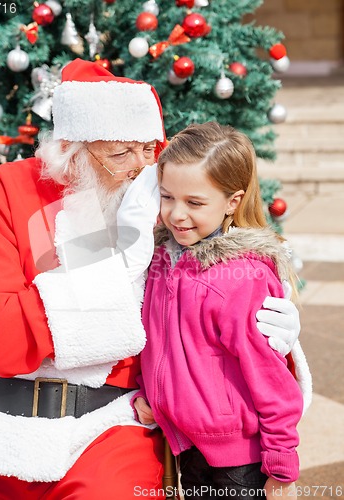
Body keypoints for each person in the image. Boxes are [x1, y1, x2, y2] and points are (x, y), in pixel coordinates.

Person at [0, 60, 302, 499]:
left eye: (149, 150)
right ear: (71, 147)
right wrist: (113, 256)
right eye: (121, 154)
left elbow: (217, 310)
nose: (142, 170)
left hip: (106, 430)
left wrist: (280, 335)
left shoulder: (165, 201)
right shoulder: (6, 189)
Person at [133, 122, 312, 500]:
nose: (176, 214)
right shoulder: (163, 261)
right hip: (191, 446)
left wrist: (282, 463)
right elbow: (159, 342)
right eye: (167, 197)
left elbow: (268, 374)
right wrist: (148, 394)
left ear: (232, 202)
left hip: (240, 462)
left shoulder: (239, 277)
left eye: (195, 203)